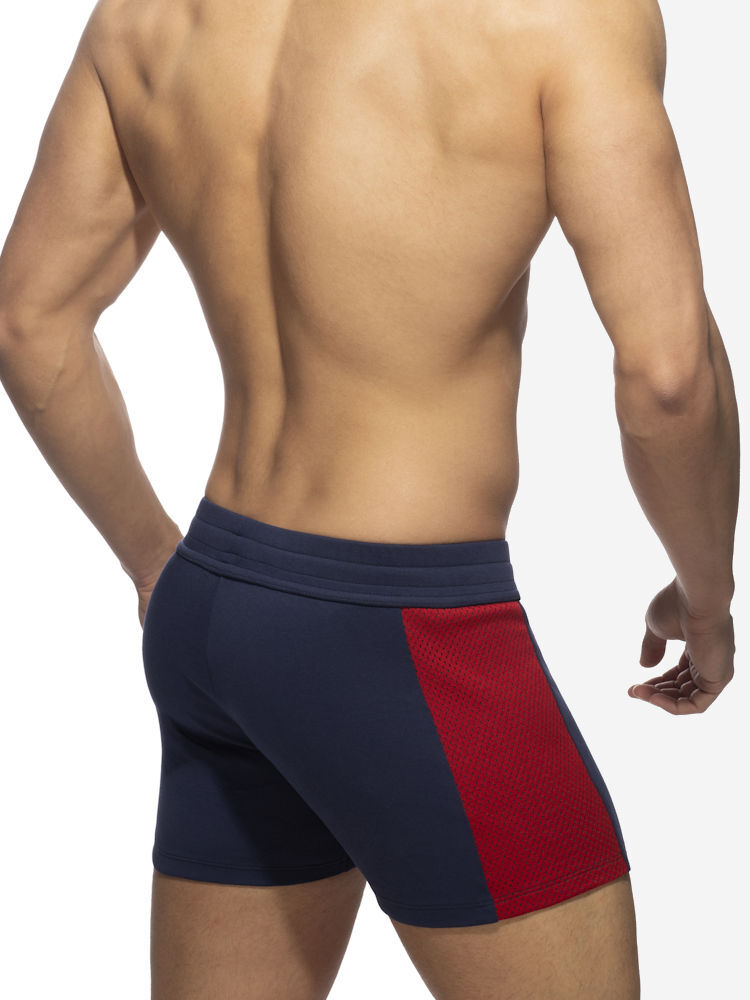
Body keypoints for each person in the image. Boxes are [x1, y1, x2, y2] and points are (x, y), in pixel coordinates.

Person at [0, 0, 738, 996]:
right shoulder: (562, 17)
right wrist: (706, 599)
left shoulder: (144, 17)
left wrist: (151, 561)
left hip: (214, 607)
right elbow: (670, 378)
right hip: (414, 638)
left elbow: (27, 320)